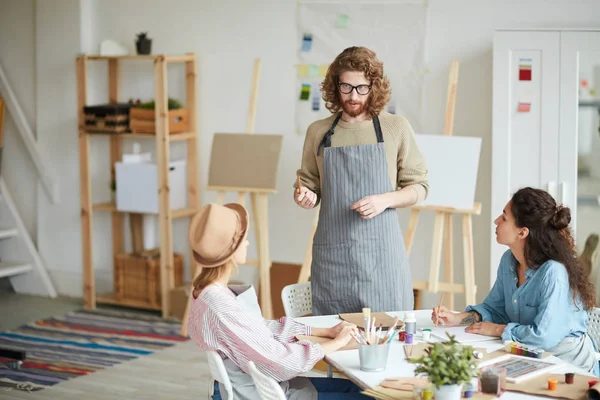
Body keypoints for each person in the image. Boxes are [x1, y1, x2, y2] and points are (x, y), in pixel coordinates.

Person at [294, 46, 429, 316]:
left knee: (388, 334)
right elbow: (309, 184)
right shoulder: (318, 132)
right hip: (334, 258)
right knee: (335, 339)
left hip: (382, 257)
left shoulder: (395, 127)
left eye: (361, 88)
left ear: (374, 87)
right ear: (335, 86)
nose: (353, 96)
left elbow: (419, 187)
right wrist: (305, 196)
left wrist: (384, 200)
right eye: (346, 87)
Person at [186, 203, 371, 399]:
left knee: (362, 390)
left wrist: (325, 332)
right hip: (265, 392)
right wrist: (338, 343)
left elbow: (261, 329)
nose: (247, 243)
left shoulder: (208, 292)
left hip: (260, 386)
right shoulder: (219, 305)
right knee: (370, 395)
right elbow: (281, 361)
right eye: (243, 239)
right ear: (230, 250)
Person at [432, 187, 599, 375]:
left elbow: (543, 337)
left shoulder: (554, 272)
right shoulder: (509, 261)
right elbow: (495, 309)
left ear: (522, 232)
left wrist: (498, 330)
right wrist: (457, 318)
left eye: (504, 218)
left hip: (572, 372)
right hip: (534, 360)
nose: (496, 221)